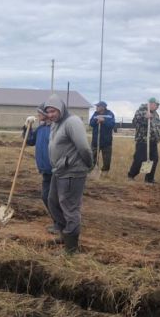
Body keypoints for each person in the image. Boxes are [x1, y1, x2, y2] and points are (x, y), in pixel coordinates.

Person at [44, 93, 93, 254]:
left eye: (53, 111)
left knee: (70, 208)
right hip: (59, 171)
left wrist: (89, 164)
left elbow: (84, 147)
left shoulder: (72, 122)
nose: (50, 115)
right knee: (53, 201)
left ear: (61, 108)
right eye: (48, 112)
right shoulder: (55, 124)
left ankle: (71, 249)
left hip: (72, 172)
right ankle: (65, 235)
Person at [23, 103, 54, 231]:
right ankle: (57, 220)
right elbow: (29, 141)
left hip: (54, 169)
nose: (37, 115)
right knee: (45, 197)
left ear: (46, 114)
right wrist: (27, 127)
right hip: (45, 169)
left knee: (53, 198)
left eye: (39, 113)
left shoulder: (54, 129)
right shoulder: (41, 129)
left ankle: (61, 222)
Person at [127, 97, 160, 183]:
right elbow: (135, 122)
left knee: (154, 159)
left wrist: (158, 136)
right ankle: (131, 176)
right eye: (156, 105)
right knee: (140, 159)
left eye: (158, 105)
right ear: (150, 104)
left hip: (153, 141)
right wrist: (145, 117)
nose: (157, 107)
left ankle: (149, 179)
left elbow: (156, 127)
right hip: (143, 140)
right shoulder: (141, 111)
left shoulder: (156, 114)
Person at [89, 101, 115, 173]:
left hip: (106, 141)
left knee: (107, 159)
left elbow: (112, 125)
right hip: (95, 141)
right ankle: (91, 171)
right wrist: (96, 121)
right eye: (96, 106)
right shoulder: (95, 114)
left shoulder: (110, 114)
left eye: (98, 106)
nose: (96, 107)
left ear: (103, 107)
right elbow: (91, 124)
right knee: (92, 158)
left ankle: (105, 172)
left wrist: (104, 121)